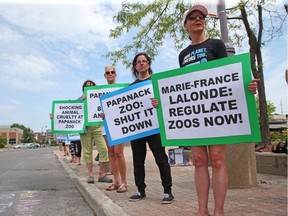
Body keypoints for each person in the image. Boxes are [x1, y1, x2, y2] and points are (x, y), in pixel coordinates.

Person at [152, 4, 259, 216]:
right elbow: (181, 88)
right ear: (186, 25)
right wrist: (162, 102)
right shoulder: (183, 55)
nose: (197, 19)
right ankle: (202, 211)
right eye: (192, 17)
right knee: (199, 161)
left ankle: (219, 211)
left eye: (200, 16)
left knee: (218, 159)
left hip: (216, 115)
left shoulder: (217, 45)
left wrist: (247, 86)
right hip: (195, 118)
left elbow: (229, 76)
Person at [128, 52, 174, 204]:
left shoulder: (157, 82)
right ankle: (140, 190)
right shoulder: (130, 88)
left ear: (148, 64)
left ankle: (168, 191)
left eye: (144, 61)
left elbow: (167, 101)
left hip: (155, 128)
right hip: (137, 130)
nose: (142, 63)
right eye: (138, 62)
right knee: (137, 161)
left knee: (161, 159)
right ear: (135, 66)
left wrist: (158, 103)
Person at [80, 80, 112, 184]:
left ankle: (102, 174)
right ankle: (90, 175)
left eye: (91, 86)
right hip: (85, 129)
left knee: (104, 150)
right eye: (87, 86)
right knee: (87, 152)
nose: (89, 88)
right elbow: (69, 110)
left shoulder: (99, 99)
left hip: (97, 127)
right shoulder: (80, 99)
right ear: (84, 89)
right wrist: (54, 116)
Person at [102, 65, 127, 193]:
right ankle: (116, 182)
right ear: (105, 75)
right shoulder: (98, 92)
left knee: (119, 152)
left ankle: (124, 182)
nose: (110, 74)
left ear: (116, 74)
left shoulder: (121, 89)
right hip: (106, 124)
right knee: (111, 152)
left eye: (112, 72)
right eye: (108, 72)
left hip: (119, 124)